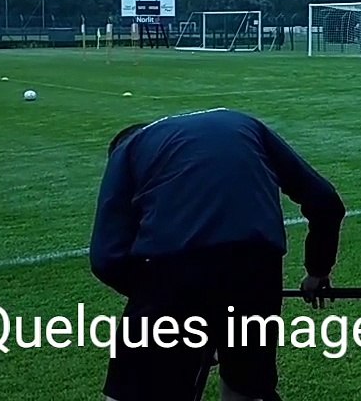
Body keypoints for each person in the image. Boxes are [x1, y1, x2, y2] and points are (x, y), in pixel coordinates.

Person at [90, 107, 347, 401]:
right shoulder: (242, 123)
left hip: (173, 274)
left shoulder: (127, 150)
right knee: (246, 388)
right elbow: (326, 202)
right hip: (256, 273)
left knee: (134, 391)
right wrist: (317, 270)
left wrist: (157, 297)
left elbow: (106, 258)